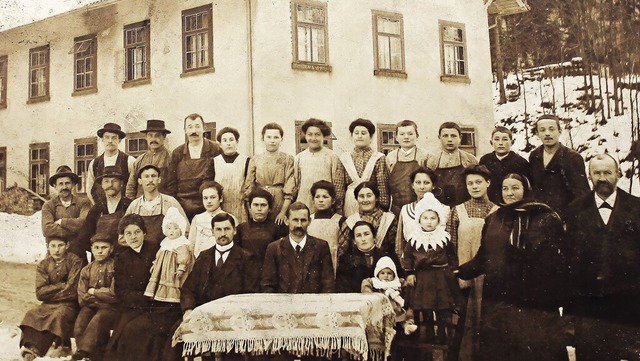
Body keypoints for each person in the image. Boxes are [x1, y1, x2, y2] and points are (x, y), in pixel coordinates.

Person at [456, 173, 569, 361]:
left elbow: (556, 262)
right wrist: (461, 271)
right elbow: (484, 257)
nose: (509, 193)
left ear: (526, 190)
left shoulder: (545, 217)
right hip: (499, 299)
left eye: (515, 188)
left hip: (533, 300)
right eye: (505, 188)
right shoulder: (494, 219)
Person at [565, 154, 640, 361]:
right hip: (589, 304)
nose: (602, 178)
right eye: (596, 173)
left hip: (628, 303)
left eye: (608, 172)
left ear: (618, 174)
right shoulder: (575, 210)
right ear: (589, 176)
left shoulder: (637, 207)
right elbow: (570, 261)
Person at [108, 214, 181, 361]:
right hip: (135, 306)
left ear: (144, 233)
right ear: (123, 236)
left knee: (137, 330)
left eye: (137, 232)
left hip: (160, 307)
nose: (133, 237)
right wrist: (142, 298)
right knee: (121, 333)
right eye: (128, 233)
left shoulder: (157, 250)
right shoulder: (121, 258)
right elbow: (121, 291)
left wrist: (153, 297)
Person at [446, 165, 497, 361]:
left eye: (478, 182)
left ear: (488, 183)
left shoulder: (497, 211)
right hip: (464, 276)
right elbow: (450, 245)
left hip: (489, 278)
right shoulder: (457, 211)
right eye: (470, 183)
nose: (474, 187)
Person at [402, 192, 462, 344]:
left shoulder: (444, 238)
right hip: (422, 279)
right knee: (423, 309)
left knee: (442, 309)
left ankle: (442, 338)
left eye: (433, 218)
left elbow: (452, 256)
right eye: (425, 218)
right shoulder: (414, 239)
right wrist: (409, 273)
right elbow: (407, 257)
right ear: (419, 219)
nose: (429, 222)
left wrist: (453, 271)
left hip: (441, 278)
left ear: (438, 220)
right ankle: (425, 337)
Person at [19, 236, 83, 361]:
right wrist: (61, 285)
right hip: (47, 304)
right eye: (53, 246)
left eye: (60, 245)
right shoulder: (44, 265)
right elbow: (40, 293)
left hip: (68, 304)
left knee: (58, 315)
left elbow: (72, 290)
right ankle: (30, 347)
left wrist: (51, 290)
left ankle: (38, 349)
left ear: (67, 245)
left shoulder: (74, 261)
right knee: (32, 314)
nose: (57, 250)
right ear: (48, 246)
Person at [261, 202, 335, 293]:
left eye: (303, 220)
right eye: (295, 220)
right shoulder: (274, 248)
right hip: (284, 304)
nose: (299, 225)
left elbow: (328, 283)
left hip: (313, 304)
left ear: (309, 221)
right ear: (286, 221)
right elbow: (267, 285)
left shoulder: (321, 246)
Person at [72, 228, 118, 361]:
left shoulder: (115, 268)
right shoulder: (86, 269)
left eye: (104, 247)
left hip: (110, 308)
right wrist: (98, 297)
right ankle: (89, 356)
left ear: (111, 249)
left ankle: (84, 354)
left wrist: (95, 292)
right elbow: (82, 294)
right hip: (91, 305)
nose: (100, 251)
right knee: (80, 324)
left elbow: (114, 293)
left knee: (98, 320)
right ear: (91, 249)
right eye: (96, 247)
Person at [529, 114, 590, 215]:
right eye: (542, 130)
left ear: (559, 131)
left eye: (551, 129)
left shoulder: (572, 158)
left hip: (565, 215)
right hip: (540, 214)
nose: (547, 134)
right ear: (537, 133)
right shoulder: (535, 155)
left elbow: (581, 194)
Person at [166, 113, 222, 220]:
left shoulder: (215, 149)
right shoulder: (177, 152)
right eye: (190, 127)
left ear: (204, 128)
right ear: (185, 130)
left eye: (197, 126)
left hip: (208, 203)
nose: (193, 131)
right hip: (183, 205)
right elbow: (171, 183)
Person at [71, 166, 132, 261]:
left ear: (121, 184)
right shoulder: (96, 209)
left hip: (125, 259)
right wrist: (97, 250)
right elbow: (84, 238)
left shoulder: (130, 206)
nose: (110, 185)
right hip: (101, 260)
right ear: (102, 185)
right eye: (106, 181)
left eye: (114, 181)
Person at [242, 123, 296, 224]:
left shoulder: (288, 159)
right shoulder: (255, 159)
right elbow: (249, 185)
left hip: (280, 201)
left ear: (281, 139)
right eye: (269, 137)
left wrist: (283, 212)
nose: (272, 140)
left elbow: (290, 186)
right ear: (263, 139)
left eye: (276, 137)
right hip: (260, 201)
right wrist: (251, 210)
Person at [126, 164, 188, 246]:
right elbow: (124, 232)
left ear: (159, 179)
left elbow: (186, 230)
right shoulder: (134, 206)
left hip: (164, 251)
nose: (150, 180)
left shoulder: (170, 202)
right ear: (140, 181)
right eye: (146, 176)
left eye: (153, 176)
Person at [340, 118, 390, 216]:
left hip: (371, 203)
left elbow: (382, 186)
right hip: (350, 203)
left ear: (371, 137)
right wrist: (338, 207)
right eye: (356, 133)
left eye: (363, 133)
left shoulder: (379, 158)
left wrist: (382, 208)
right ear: (351, 136)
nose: (359, 136)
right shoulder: (344, 158)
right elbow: (340, 186)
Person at [294, 118, 345, 214]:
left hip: (325, 204)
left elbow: (338, 185)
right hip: (304, 202)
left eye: (317, 135)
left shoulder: (332, 157)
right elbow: (296, 183)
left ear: (323, 136)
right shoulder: (299, 158)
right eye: (310, 134)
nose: (313, 138)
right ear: (305, 136)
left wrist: (338, 206)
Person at [336, 220, 402, 293]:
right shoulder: (346, 259)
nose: (363, 239)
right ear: (354, 241)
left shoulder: (388, 255)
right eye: (358, 236)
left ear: (374, 237)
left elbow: (399, 279)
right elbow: (342, 287)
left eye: (366, 234)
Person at [145, 207, 194, 303]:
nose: (172, 231)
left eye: (175, 228)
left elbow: (184, 256)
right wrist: (155, 264)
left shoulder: (181, 243)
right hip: (163, 268)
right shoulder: (165, 242)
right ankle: (161, 297)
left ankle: (172, 298)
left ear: (181, 230)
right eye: (169, 228)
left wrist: (181, 267)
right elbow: (159, 254)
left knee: (172, 281)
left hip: (173, 268)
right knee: (161, 281)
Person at [236, 188, 288, 278]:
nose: (259, 209)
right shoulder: (241, 228)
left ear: (269, 209)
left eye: (263, 205)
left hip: (269, 273)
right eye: (256, 205)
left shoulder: (277, 228)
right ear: (250, 207)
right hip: (246, 274)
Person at [424, 122, 478, 206]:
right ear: (439, 138)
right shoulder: (432, 161)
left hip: (464, 206)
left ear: (460, 138)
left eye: (453, 136)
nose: (449, 139)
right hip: (439, 207)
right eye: (445, 136)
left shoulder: (470, 160)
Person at [337, 181, 397, 258]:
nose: (365, 200)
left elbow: (395, 248)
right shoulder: (350, 222)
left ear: (376, 198)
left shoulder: (389, 219)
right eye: (361, 196)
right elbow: (342, 251)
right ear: (356, 199)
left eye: (369, 196)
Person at [362, 256, 417, 336]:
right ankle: (388, 330)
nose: (386, 276)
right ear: (377, 273)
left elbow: (406, 290)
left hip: (396, 308)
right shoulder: (374, 282)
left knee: (407, 313)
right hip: (381, 308)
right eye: (382, 273)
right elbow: (366, 287)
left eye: (389, 273)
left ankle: (407, 326)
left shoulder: (397, 282)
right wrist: (371, 294)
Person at [386, 120, 430, 216]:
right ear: (396, 137)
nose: (406, 137)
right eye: (402, 134)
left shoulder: (425, 156)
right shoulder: (390, 157)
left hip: (420, 207)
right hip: (396, 208)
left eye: (410, 134)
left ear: (417, 136)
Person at [86, 123, 135, 205]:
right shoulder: (94, 163)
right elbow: (89, 190)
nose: (110, 141)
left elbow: (135, 187)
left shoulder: (129, 161)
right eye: (107, 137)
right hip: (102, 211)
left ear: (119, 140)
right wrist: (97, 208)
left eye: (114, 138)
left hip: (124, 210)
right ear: (102, 139)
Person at [395, 167, 439, 259]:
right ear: (412, 185)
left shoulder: (442, 210)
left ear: (433, 185)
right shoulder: (406, 209)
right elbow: (400, 242)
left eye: (426, 183)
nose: (422, 187)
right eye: (418, 183)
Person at [479, 126, 530, 204]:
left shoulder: (520, 162)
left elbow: (526, 187)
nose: (500, 143)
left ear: (512, 142)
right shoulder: (485, 160)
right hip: (490, 202)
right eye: (496, 139)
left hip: (513, 203)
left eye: (505, 139)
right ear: (491, 142)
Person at [42, 165, 92, 243]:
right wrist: (75, 231)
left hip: (78, 252)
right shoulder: (48, 205)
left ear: (73, 184)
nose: (64, 187)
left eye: (67, 183)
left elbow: (84, 224)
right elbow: (47, 229)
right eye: (61, 184)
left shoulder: (83, 203)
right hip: (55, 252)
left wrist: (62, 222)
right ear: (55, 186)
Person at [188, 181, 237, 258]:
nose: (209, 201)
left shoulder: (230, 218)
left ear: (220, 198)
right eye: (205, 198)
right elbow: (191, 245)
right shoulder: (197, 219)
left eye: (213, 197)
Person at [125, 119, 172, 199]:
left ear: (164, 137)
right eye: (150, 135)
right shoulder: (139, 160)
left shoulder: (171, 158)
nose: (153, 139)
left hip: (162, 205)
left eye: (157, 135)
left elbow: (173, 188)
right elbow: (131, 188)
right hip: (141, 206)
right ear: (146, 137)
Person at [213, 127, 250, 224]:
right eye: (224, 141)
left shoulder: (246, 160)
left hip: (240, 208)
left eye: (231, 140)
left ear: (237, 142)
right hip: (220, 208)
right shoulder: (214, 162)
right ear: (220, 144)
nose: (228, 143)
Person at [307, 180, 345, 274]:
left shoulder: (340, 220)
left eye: (325, 197)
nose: (321, 200)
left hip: (333, 262)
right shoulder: (308, 220)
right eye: (317, 197)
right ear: (313, 200)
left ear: (333, 200)